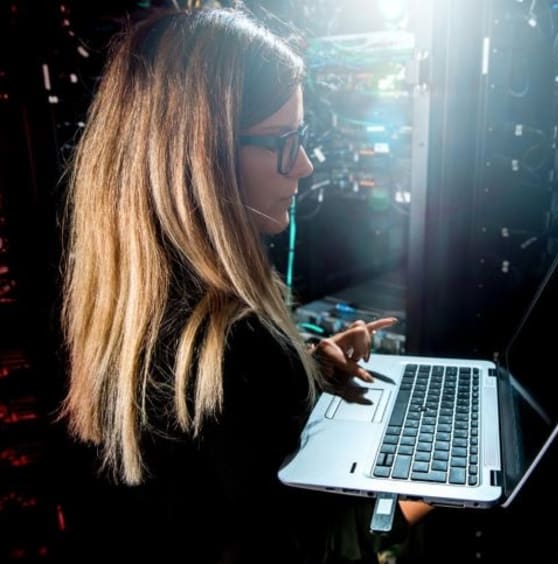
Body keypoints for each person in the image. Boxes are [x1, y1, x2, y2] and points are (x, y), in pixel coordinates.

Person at [58, 6, 430, 563]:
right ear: (200, 156)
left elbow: (209, 458)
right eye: (283, 140)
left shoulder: (132, 304)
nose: (302, 164)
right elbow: (314, 550)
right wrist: (428, 490)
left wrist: (312, 368)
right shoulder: (236, 349)